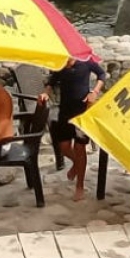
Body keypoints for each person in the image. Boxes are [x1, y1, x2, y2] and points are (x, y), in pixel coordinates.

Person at [39, 58, 106, 201]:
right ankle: (77, 164)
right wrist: (45, 93)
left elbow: (101, 75)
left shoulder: (86, 61)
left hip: (82, 113)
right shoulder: (60, 65)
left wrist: (94, 92)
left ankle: (79, 186)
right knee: (63, 147)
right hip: (65, 112)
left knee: (80, 148)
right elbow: (50, 83)